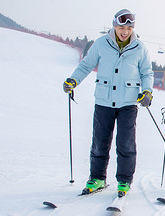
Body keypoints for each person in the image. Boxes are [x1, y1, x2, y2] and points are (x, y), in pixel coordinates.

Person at [63, 9, 154, 196]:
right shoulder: (101, 44)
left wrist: (147, 91)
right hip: (104, 101)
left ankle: (124, 181)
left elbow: (147, 73)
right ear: (114, 25)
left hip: (128, 103)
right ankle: (97, 178)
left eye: (129, 28)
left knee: (126, 143)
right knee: (99, 142)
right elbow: (86, 64)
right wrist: (74, 80)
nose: (125, 31)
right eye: (121, 27)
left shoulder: (139, 48)